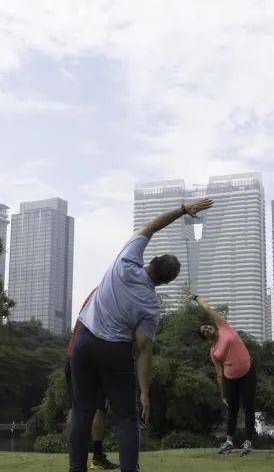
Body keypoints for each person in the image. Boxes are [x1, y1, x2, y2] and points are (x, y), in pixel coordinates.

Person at [69, 198, 214, 472]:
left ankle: (76, 468)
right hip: (115, 352)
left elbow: (151, 226)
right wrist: (145, 392)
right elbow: (143, 349)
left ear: (151, 260)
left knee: (83, 412)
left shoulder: (125, 260)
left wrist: (183, 209)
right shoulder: (150, 306)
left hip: (85, 342)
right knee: (126, 417)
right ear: (165, 282)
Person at [192, 290, 257, 456]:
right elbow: (219, 373)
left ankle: (248, 441)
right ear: (205, 338)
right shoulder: (213, 351)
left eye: (206, 327)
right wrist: (223, 394)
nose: (207, 330)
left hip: (247, 373)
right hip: (230, 380)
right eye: (204, 332)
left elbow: (208, 308)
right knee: (232, 410)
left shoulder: (223, 327)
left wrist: (195, 297)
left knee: (249, 407)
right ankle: (229, 441)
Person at [65, 289, 118, 470]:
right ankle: (88, 458)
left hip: (75, 355)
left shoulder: (99, 293)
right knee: (89, 410)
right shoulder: (111, 293)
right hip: (88, 356)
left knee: (86, 410)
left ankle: (90, 457)